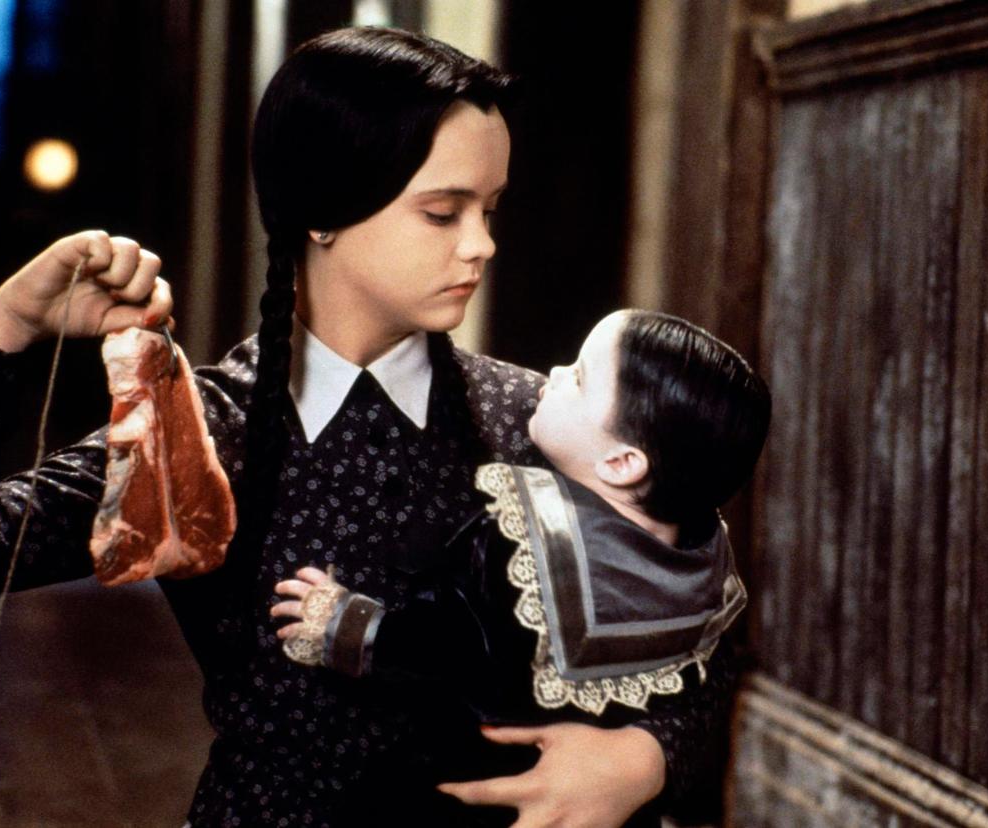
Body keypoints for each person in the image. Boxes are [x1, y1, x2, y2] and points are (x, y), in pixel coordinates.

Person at [0, 27, 740, 827]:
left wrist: (645, 759)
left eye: (491, 209)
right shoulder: (202, 431)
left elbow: (700, 629)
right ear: (321, 211)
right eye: (444, 212)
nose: (482, 244)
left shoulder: (541, 419)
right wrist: (4, 331)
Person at [270, 310, 768, 824]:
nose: (554, 372)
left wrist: (349, 623)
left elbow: (446, 647)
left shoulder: (526, 546)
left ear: (621, 463)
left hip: (488, 792)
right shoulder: (698, 565)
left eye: (578, 377)